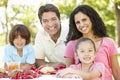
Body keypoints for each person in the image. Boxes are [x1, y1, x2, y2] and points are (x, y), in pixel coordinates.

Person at [63, 5, 120, 80]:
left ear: (92, 19)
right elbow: (68, 74)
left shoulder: (108, 42)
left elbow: (116, 72)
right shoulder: (72, 45)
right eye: (77, 22)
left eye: (84, 20)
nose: (81, 24)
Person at [34, 4, 69, 68]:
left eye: (53, 19)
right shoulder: (40, 35)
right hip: (55, 74)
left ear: (59, 19)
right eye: (45, 21)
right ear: (41, 23)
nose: (50, 24)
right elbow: (39, 61)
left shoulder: (71, 33)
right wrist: (55, 65)